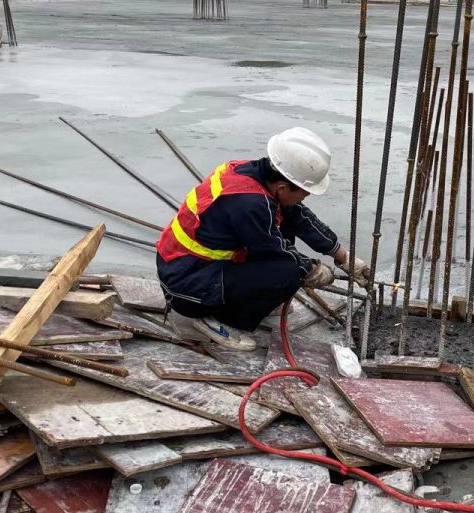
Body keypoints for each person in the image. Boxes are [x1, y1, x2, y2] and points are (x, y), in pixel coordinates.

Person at [156, 127, 371, 351]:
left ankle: (245, 301)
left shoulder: (255, 175)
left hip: (193, 268)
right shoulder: (251, 204)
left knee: (288, 227)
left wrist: (343, 257)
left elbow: (300, 218)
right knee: (289, 272)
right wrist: (312, 270)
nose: (305, 198)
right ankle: (220, 320)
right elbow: (275, 251)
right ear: (283, 187)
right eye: (304, 193)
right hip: (187, 288)